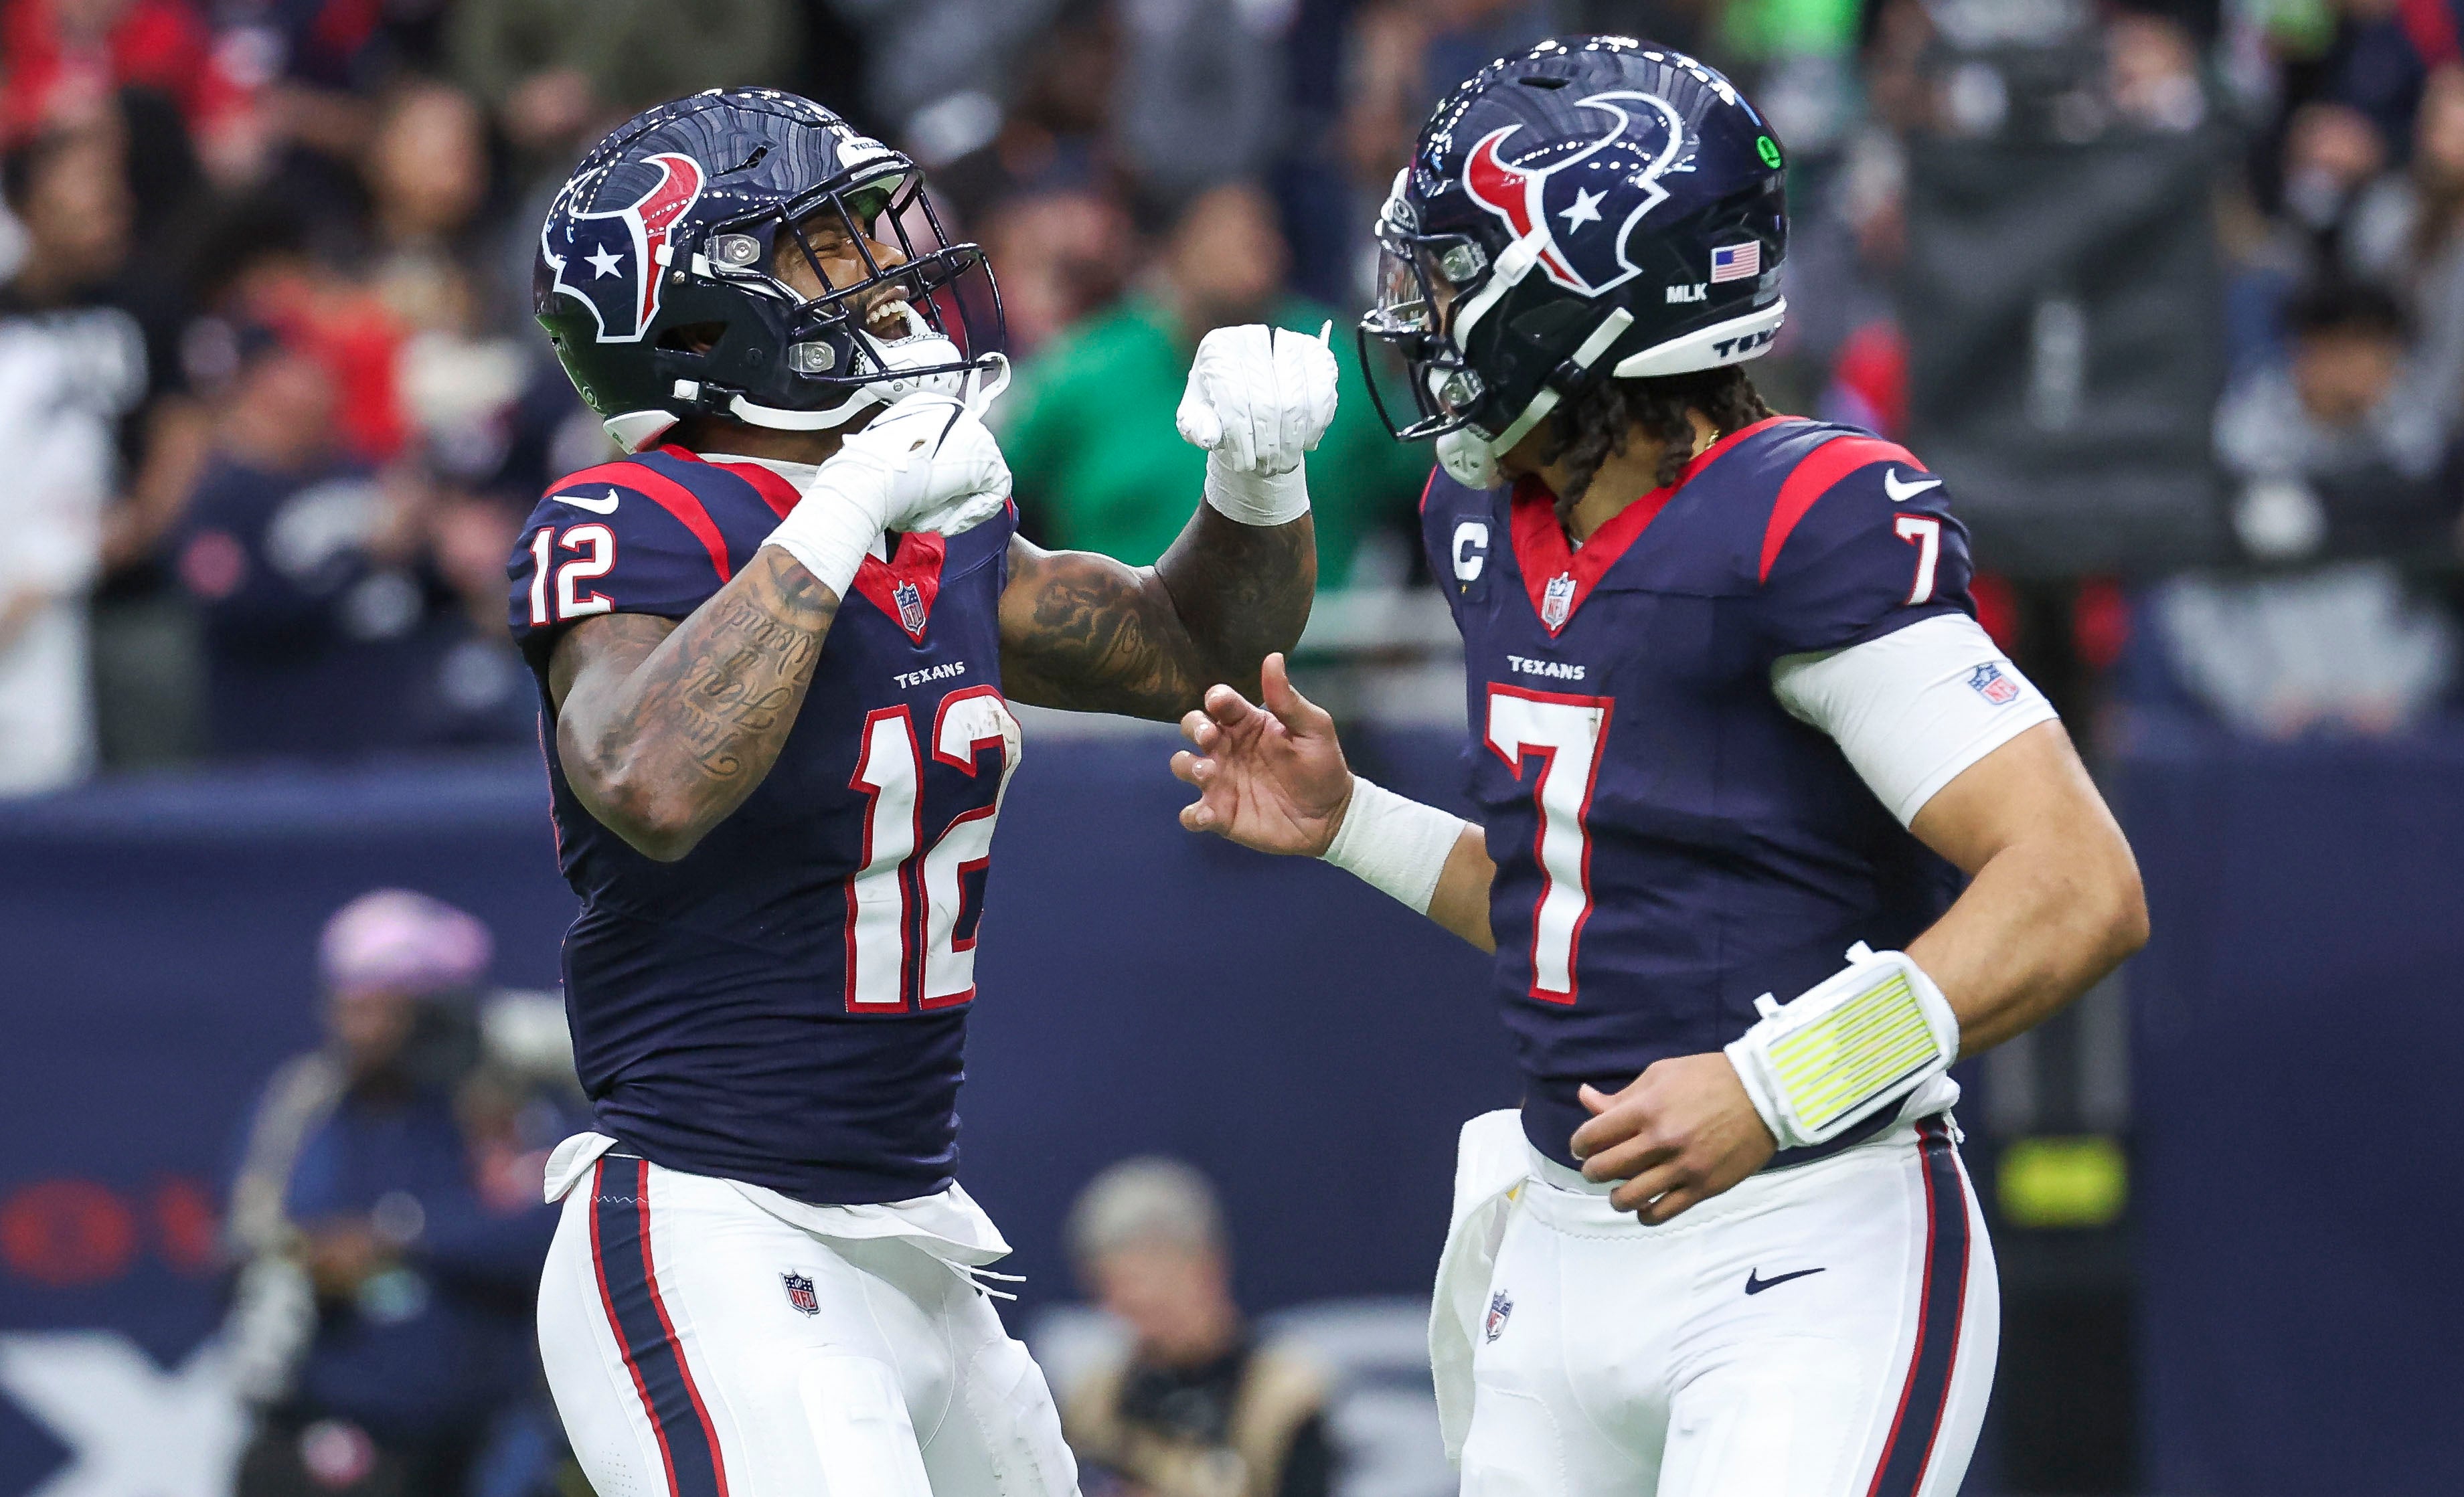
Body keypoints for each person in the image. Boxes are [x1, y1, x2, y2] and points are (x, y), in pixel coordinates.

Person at [1170, 38, 2149, 1496]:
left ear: (1584, 287)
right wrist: (1347, 823)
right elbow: (1576, 903)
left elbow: (2079, 884)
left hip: (1807, 1230)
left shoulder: (1801, 514)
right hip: (1560, 1245)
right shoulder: (1482, 516)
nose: (1419, 315)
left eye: (1456, 274)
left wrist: (1776, 1082)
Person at [509, 89, 1327, 1497]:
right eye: (820, 245)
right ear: (697, 320)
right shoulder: (635, 516)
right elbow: (648, 777)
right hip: (717, 1221)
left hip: (913, 1232)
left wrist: (1252, 478)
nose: (880, 269)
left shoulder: (929, 520)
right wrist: (832, 509)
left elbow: (1191, 650)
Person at [224, 889, 564, 1497]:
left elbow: (552, 1223)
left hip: (490, 1429)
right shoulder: (308, 1105)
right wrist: (311, 1254)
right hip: (342, 1419)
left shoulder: (494, 1103)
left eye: (380, 1008)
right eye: (347, 1005)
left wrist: (401, 1234)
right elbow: (259, 1231)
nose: (356, 1028)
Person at [1002, 179, 1429, 587]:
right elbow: (1002, 501)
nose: (1251, 251)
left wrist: (1404, 621)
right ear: (1173, 249)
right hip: (1119, 651)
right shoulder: (1083, 371)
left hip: (1313, 653)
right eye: (1222, 233)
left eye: (1262, 232)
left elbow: (1423, 492)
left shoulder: (1332, 364)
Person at [0, 124, 147, 796]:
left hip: (55, 607)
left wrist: (55, 568)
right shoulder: (23, 339)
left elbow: (82, 491)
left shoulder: (61, 352)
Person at [1059, 1158, 1335, 1497]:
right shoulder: (1094, 1403)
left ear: (1208, 1267)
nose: (1143, 1326)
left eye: (1157, 1297)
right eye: (1122, 1302)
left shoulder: (1285, 1399)